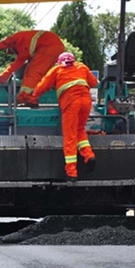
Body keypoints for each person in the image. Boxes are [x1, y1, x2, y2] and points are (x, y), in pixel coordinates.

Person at [28, 52, 98, 181]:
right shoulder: (81, 67)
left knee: (70, 136)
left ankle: (71, 172)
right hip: (86, 102)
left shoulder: (57, 70)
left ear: (60, 62)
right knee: (79, 129)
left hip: (71, 103)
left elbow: (43, 85)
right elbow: (94, 83)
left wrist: (33, 96)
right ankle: (89, 155)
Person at [0, 30, 65, 104]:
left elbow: (6, 43)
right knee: (40, 74)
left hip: (49, 46)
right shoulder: (25, 47)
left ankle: (26, 99)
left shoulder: (16, 39)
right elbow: (13, 67)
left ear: (12, 47)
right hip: (53, 46)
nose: (15, 54)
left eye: (13, 52)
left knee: (32, 73)